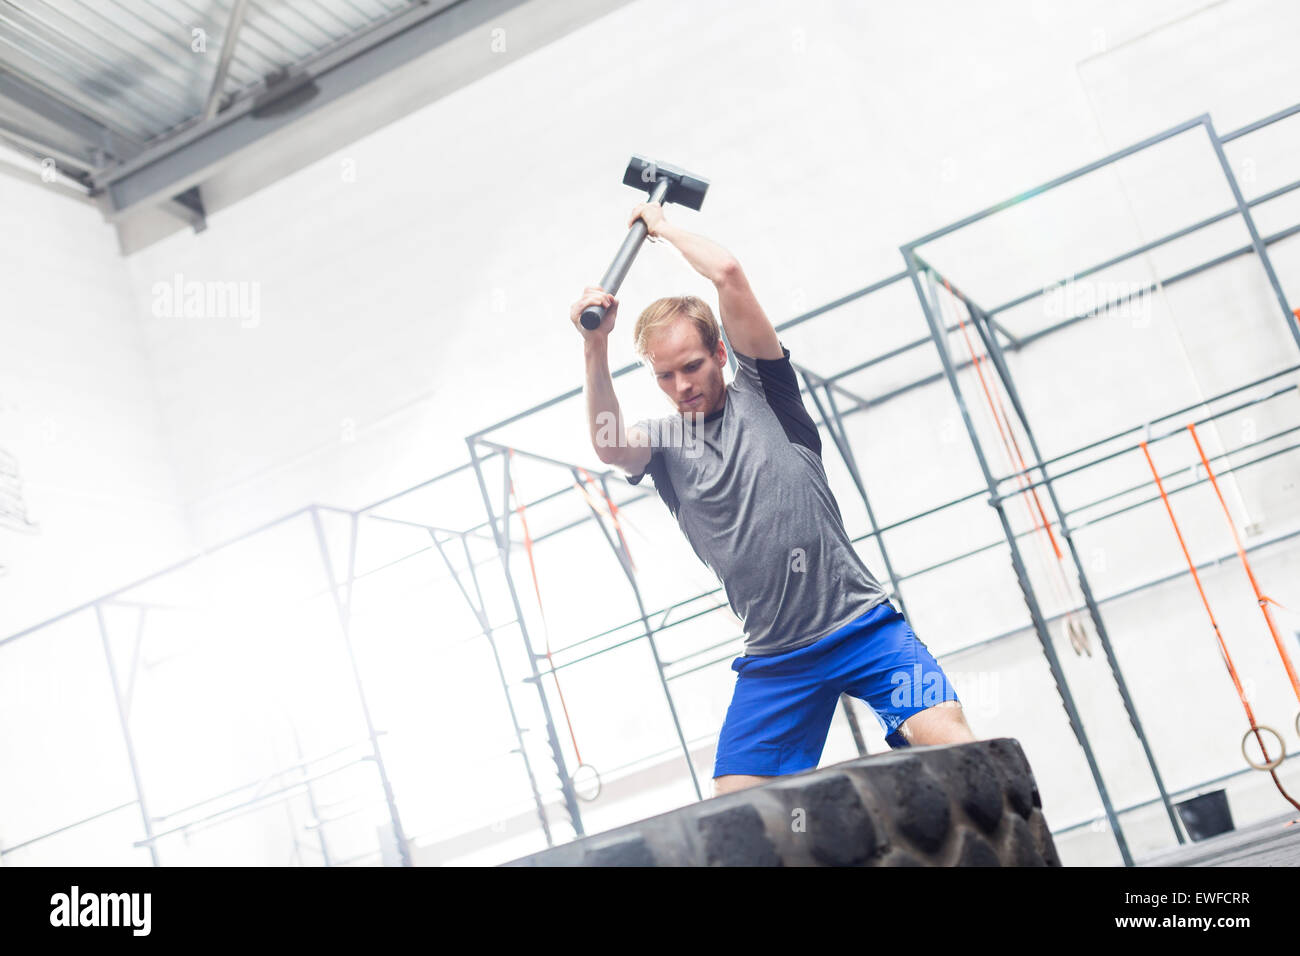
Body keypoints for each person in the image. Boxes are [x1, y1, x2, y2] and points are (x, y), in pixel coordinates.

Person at [569, 200, 976, 798]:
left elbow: (728, 273)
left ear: (720, 355)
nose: (681, 386)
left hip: (863, 627)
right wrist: (593, 345)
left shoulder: (767, 393)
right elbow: (608, 445)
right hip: (777, 659)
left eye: (691, 366)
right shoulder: (664, 445)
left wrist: (662, 228)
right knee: (736, 810)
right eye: (664, 376)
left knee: (953, 741)